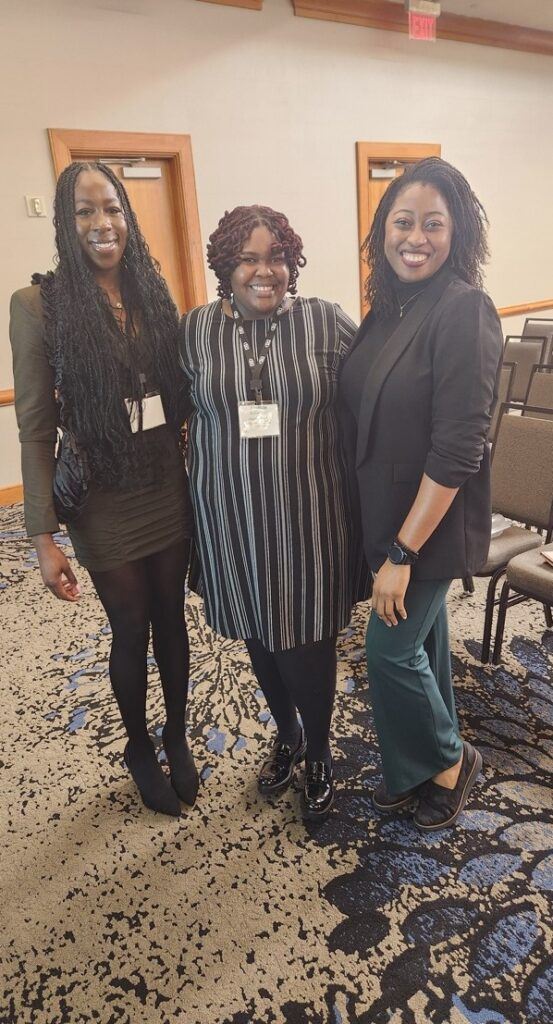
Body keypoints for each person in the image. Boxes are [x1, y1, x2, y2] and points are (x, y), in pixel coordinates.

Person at [10, 161, 198, 818]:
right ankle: (139, 748)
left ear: (128, 212)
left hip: (162, 482)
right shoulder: (39, 307)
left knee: (172, 617)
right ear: (66, 222)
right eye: (85, 212)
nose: (102, 223)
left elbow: (181, 394)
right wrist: (41, 535)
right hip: (103, 495)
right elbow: (35, 428)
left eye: (111, 208)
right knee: (130, 624)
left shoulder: (152, 289)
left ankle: (175, 731)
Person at [179, 205, 359, 821]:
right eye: (249, 258)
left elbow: (376, 399)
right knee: (256, 631)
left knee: (307, 638)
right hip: (230, 516)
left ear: (293, 263)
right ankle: (289, 733)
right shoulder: (195, 331)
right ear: (226, 266)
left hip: (307, 516)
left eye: (277, 257)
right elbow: (180, 417)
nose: (265, 270)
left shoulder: (324, 323)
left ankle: (321, 755)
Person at [339, 157, 503, 832]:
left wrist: (402, 551)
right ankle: (415, 768)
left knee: (389, 650)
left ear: (456, 231)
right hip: (386, 515)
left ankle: (449, 760)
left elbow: (458, 447)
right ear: (382, 231)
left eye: (433, 224)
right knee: (423, 641)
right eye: (402, 222)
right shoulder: (390, 306)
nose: (416, 237)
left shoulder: (464, 309)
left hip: (427, 527)